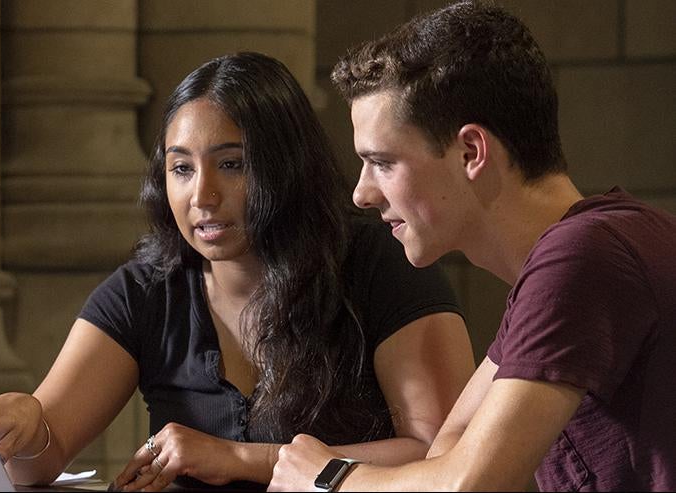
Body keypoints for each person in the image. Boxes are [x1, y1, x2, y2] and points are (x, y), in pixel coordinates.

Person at [0, 52, 474, 491]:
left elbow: (441, 456)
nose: (202, 197)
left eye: (232, 165)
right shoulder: (144, 291)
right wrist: (28, 425)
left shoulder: (381, 266)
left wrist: (242, 459)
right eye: (182, 168)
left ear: (288, 166)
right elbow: (38, 462)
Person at [269, 1, 676, 491]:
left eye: (382, 162)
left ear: (471, 152)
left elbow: (467, 484)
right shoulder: (571, 256)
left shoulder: (580, 258)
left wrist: (328, 478)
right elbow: (448, 450)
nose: (361, 193)